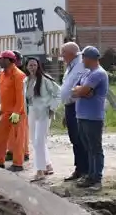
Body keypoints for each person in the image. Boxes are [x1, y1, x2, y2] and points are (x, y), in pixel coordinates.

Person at [71, 46, 109, 190]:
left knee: (95, 148)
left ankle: (97, 178)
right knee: (88, 147)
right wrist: (81, 91)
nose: (82, 60)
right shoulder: (86, 73)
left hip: (93, 117)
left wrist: (82, 91)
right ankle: (90, 175)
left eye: (83, 57)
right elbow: (75, 91)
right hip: (82, 115)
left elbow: (84, 90)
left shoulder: (98, 74)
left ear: (89, 58)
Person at [24, 57, 60, 181]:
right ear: (27, 67)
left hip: (44, 112)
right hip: (32, 112)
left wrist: (52, 108)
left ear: (38, 66)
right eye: (30, 65)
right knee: (34, 140)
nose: (32, 67)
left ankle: (40, 170)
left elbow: (58, 93)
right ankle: (48, 164)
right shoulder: (26, 80)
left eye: (34, 65)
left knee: (39, 140)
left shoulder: (45, 80)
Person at [0, 50, 27, 172]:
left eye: (1, 59)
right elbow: (1, 91)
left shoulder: (19, 75)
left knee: (17, 139)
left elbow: (21, 96)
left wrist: (17, 111)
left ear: (8, 60)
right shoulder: (1, 74)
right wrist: (2, 104)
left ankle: (18, 164)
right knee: (1, 136)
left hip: (17, 113)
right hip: (5, 111)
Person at [58, 42, 88, 181]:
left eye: (63, 52)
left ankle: (85, 170)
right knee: (74, 139)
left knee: (80, 139)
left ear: (72, 53)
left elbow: (82, 86)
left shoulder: (82, 66)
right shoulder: (70, 66)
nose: (61, 55)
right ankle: (79, 168)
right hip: (70, 107)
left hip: (79, 106)